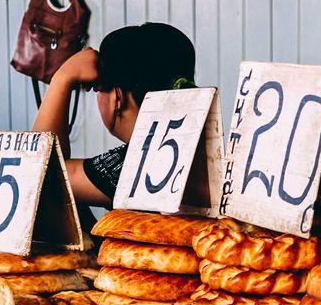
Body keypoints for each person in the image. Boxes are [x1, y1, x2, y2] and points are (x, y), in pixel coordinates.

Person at [32, 21, 197, 207]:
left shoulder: (135, 163)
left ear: (117, 99)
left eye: (97, 88)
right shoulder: (191, 151)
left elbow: (40, 177)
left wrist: (62, 78)